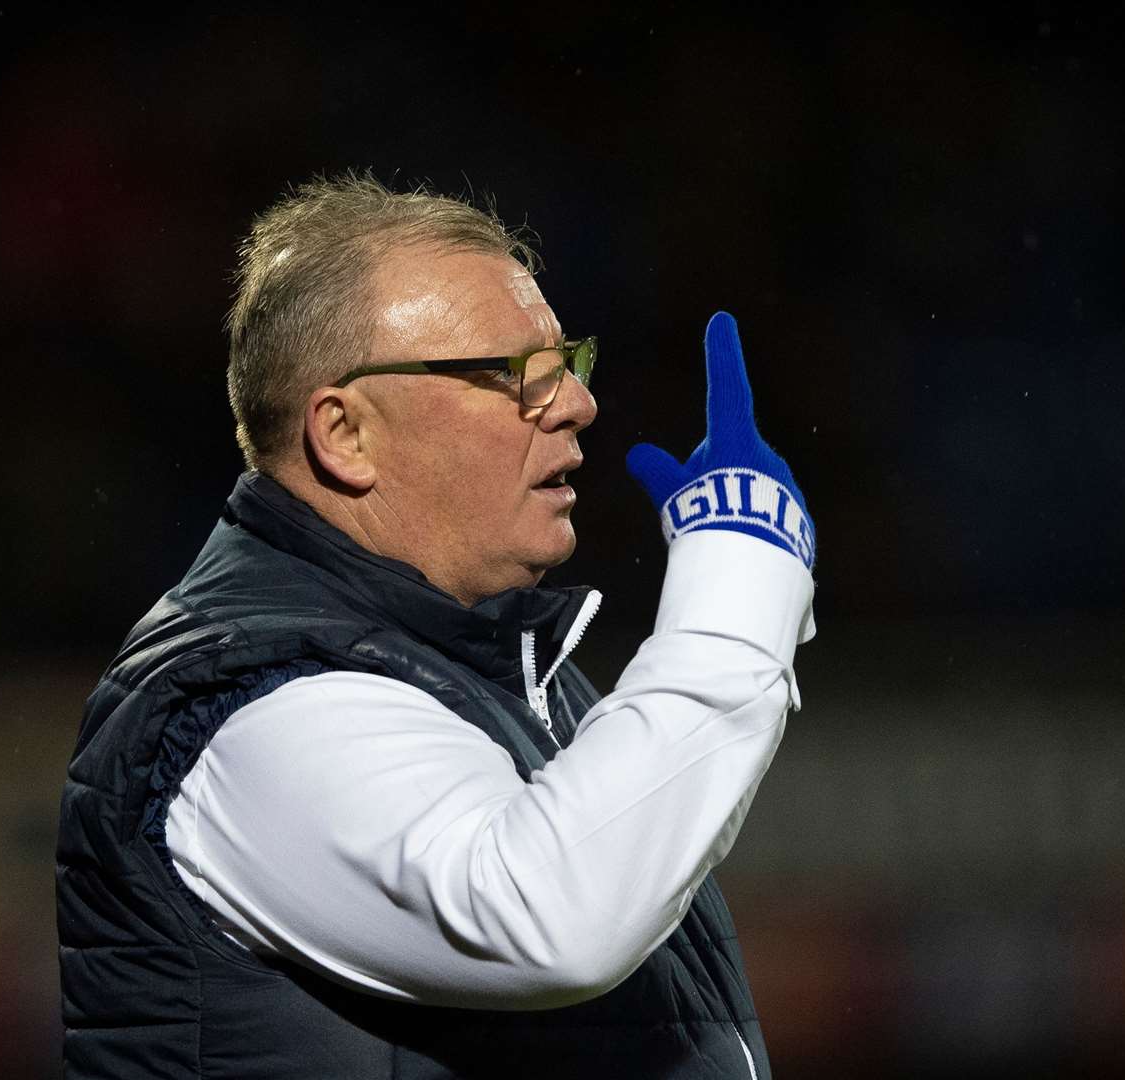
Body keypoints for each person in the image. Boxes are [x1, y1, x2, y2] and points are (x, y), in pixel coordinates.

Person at [55, 175, 815, 1079]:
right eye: (513, 375)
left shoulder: (496, 662)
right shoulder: (251, 700)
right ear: (345, 434)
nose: (576, 404)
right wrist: (738, 585)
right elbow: (547, 915)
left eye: (567, 363)